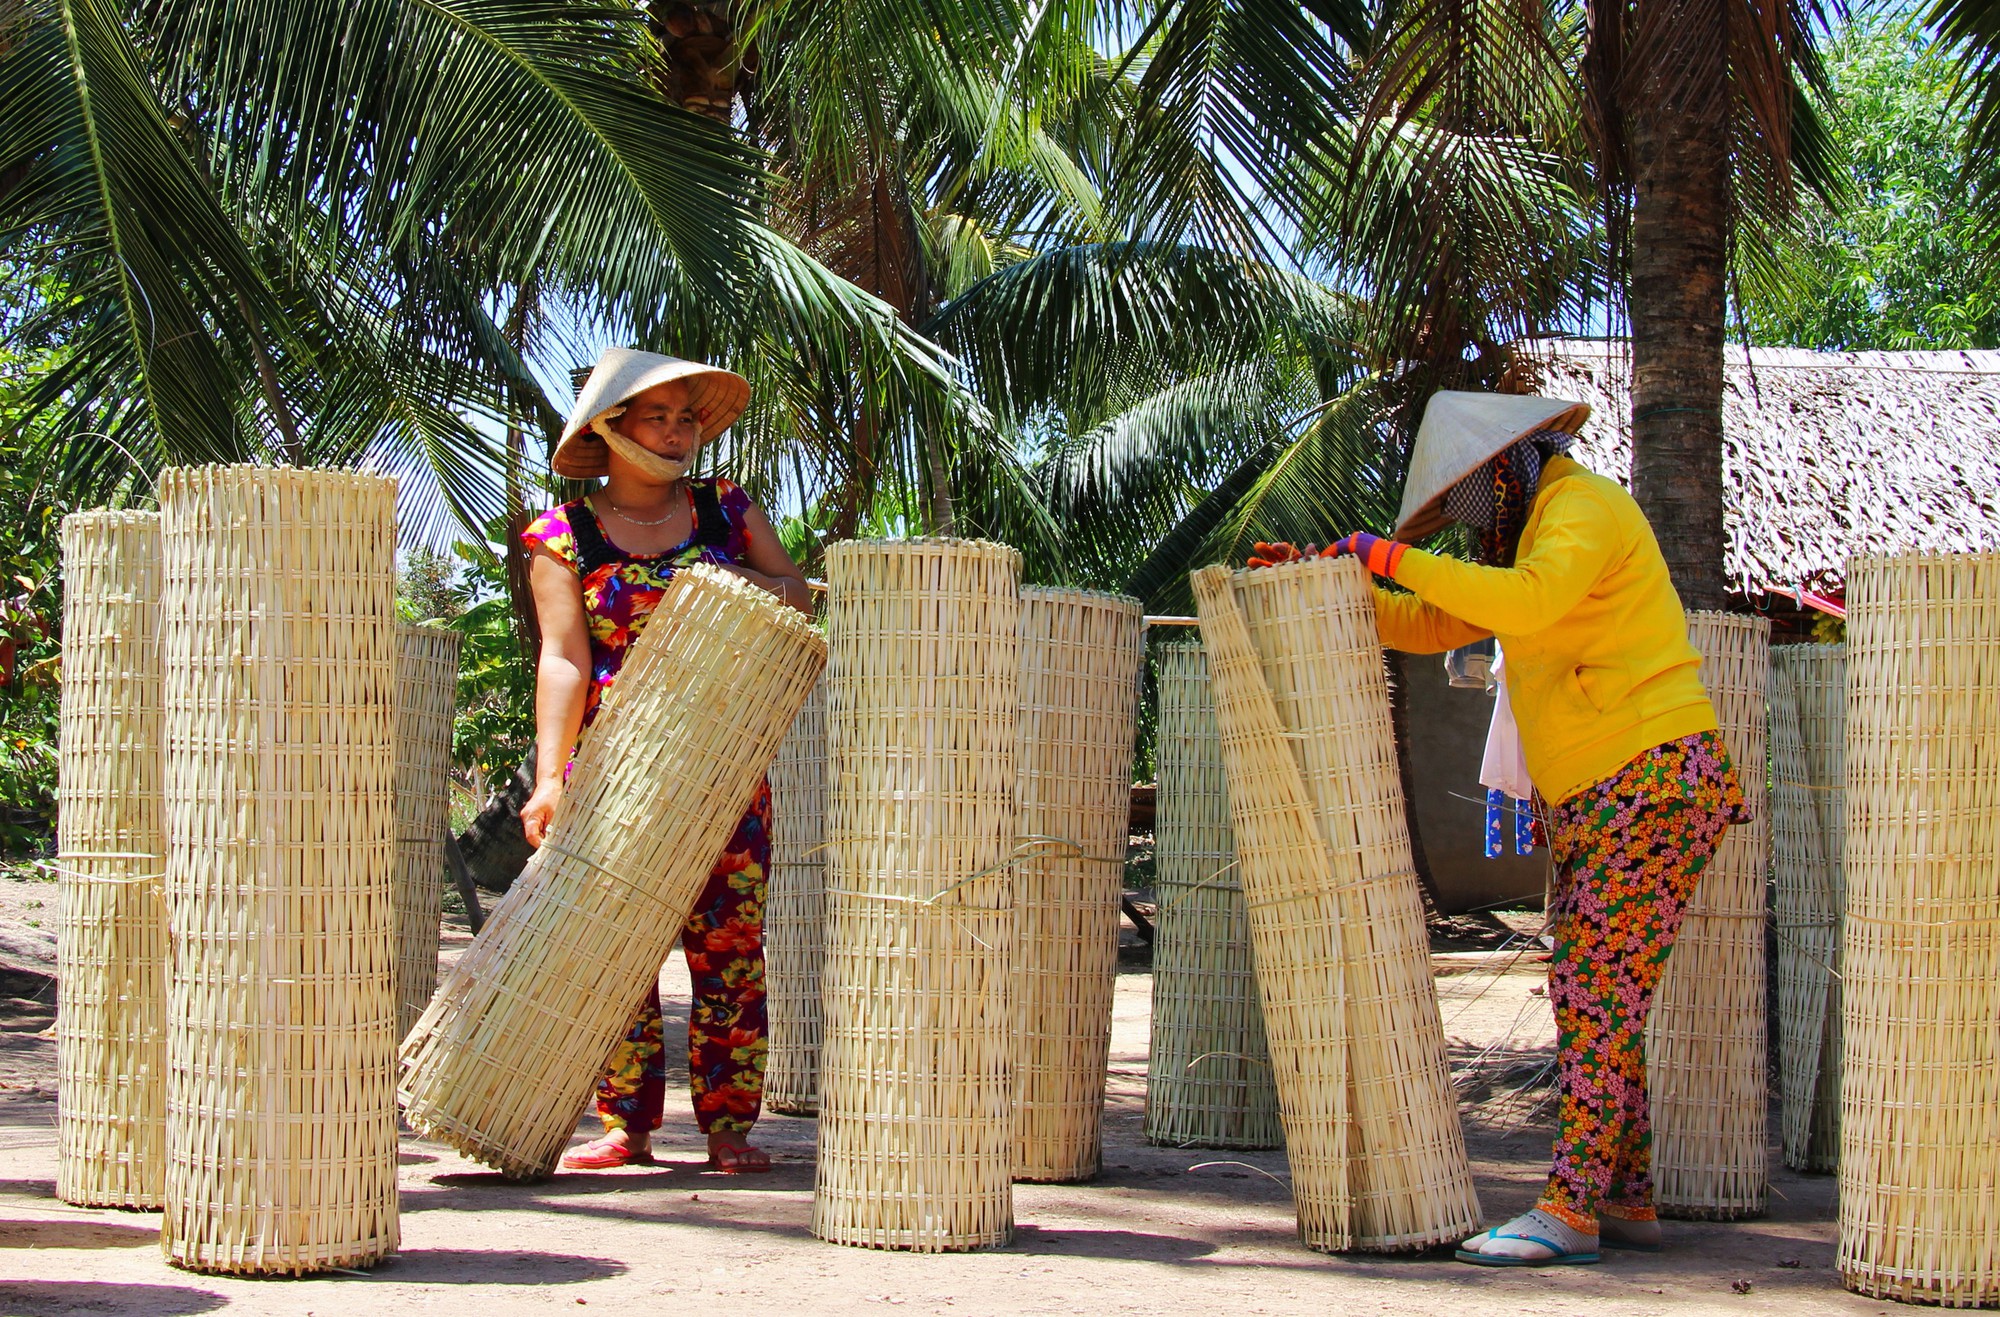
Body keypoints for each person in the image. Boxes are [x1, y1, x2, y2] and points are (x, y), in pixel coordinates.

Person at [1303, 390, 1749, 1267]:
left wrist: (1388, 553)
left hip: (1650, 782)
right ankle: (1623, 1193)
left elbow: (1531, 601)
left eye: (1473, 503)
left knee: (1594, 987)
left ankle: (1572, 1208)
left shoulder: (1580, 508)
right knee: (1597, 991)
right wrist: (1339, 586)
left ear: (1510, 469)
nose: (1471, 528)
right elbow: (1438, 619)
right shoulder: (1539, 530)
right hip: (1610, 796)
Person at [519, 347, 811, 1173]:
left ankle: (728, 1131)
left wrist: (722, 595)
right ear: (609, 428)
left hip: (724, 761)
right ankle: (625, 1126)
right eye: (659, 416)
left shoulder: (725, 510)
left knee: (728, 944)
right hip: (614, 772)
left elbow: (792, 588)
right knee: (613, 945)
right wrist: (550, 778)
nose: (679, 432)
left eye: (688, 418)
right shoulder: (560, 535)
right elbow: (565, 661)